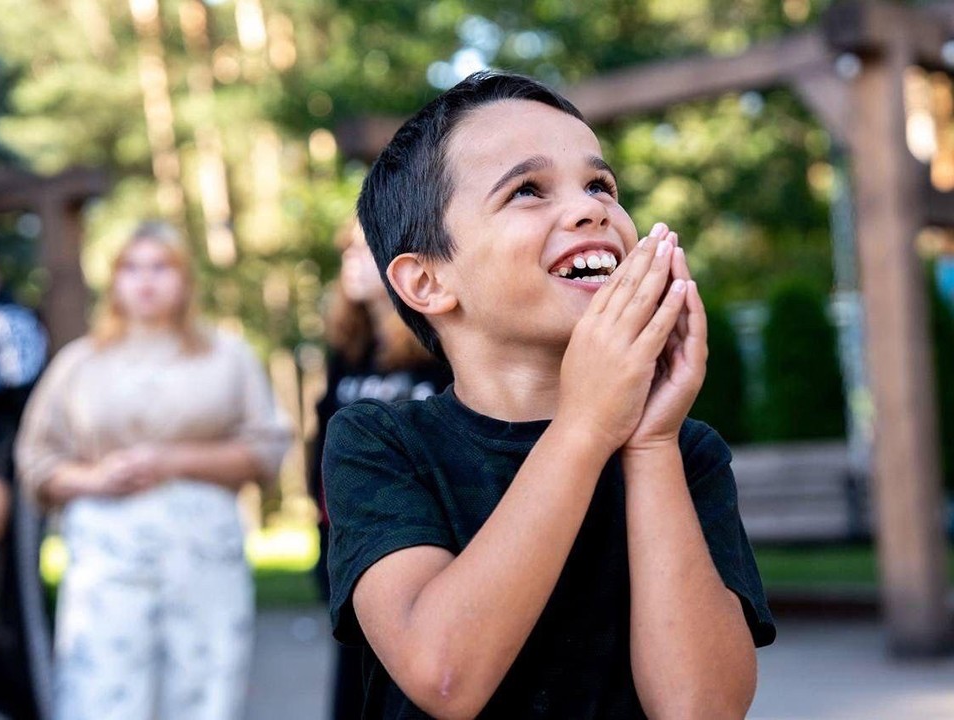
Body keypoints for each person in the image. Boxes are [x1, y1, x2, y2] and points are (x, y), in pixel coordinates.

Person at [323, 71, 776, 719]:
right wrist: (586, 426)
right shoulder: (381, 443)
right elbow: (445, 675)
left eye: (600, 185)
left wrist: (648, 444)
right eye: (528, 190)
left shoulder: (684, 450)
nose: (592, 208)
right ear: (426, 281)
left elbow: (701, 709)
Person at [15, 221, 292, 720]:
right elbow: (36, 461)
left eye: (160, 267)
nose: (146, 280)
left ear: (185, 279)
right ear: (114, 280)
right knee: (100, 696)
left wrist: (174, 461)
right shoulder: (80, 363)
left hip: (204, 555)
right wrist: (94, 480)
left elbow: (266, 449)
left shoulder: (227, 356)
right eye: (132, 268)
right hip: (107, 560)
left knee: (204, 694)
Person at [309, 219, 451, 719]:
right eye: (347, 248)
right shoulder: (346, 350)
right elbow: (319, 442)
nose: (351, 258)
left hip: (423, 542)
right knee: (355, 686)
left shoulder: (438, 348)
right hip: (349, 541)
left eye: (365, 249)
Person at [0, 256, 51, 720]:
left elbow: (22, 413)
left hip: (7, 477)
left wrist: (0, 478)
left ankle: (33, 705)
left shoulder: (10, 323)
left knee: (17, 601)